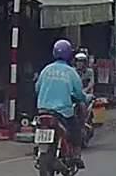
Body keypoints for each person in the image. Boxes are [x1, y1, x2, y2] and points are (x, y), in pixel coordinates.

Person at [36, 39, 88, 167]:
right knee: (76, 130)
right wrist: (84, 99)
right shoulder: (71, 72)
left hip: (43, 110)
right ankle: (76, 155)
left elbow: (37, 88)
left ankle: (38, 151)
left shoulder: (46, 70)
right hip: (62, 112)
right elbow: (79, 93)